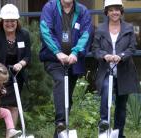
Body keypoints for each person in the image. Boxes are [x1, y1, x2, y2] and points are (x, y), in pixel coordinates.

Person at [39, 0, 92, 137]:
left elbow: (86, 33)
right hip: (54, 59)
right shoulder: (50, 7)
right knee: (61, 82)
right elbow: (45, 30)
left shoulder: (82, 11)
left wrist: (75, 52)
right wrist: (57, 52)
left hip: (74, 61)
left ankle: (60, 133)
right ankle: (60, 122)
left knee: (67, 96)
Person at [92, 0, 140, 137]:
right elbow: (95, 49)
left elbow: (132, 48)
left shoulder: (128, 28)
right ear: (106, 12)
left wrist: (122, 55)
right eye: (111, 10)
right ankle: (104, 130)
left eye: (117, 9)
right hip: (106, 70)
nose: (115, 12)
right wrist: (104, 55)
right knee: (106, 94)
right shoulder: (100, 29)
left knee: (121, 106)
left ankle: (119, 134)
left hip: (124, 71)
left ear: (121, 11)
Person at [0, 4, 31, 126]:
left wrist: (21, 64)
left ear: (17, 21)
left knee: (14, 106)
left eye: (13, 21)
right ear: (2, 21)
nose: (10, 24)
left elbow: (27, 56)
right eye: (7, 21)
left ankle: (11, 132)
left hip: (15, 77)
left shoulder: (24, 35)